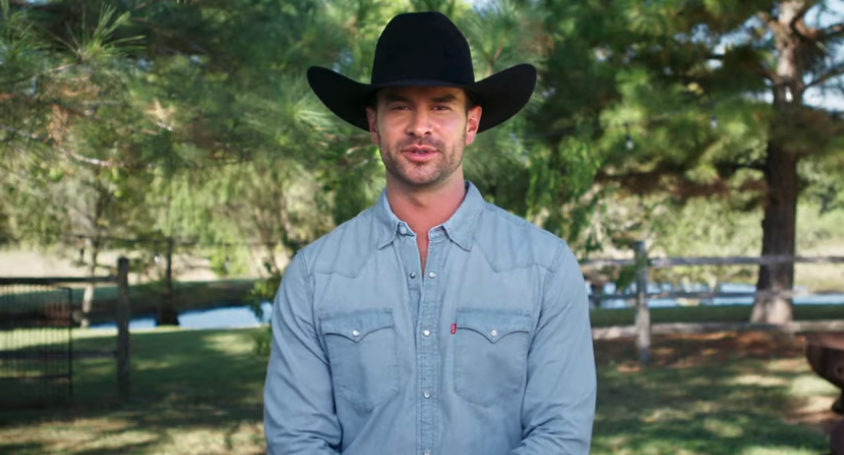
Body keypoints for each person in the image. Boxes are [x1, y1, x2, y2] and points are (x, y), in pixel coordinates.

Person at [263, 11, 596, 455]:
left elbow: (560, 436)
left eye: (441, 106)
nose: (420, 126)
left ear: (471, 124)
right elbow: (297, 440)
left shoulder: (545, 267)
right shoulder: (314, 276)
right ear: (374, 124)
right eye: (400, 106)